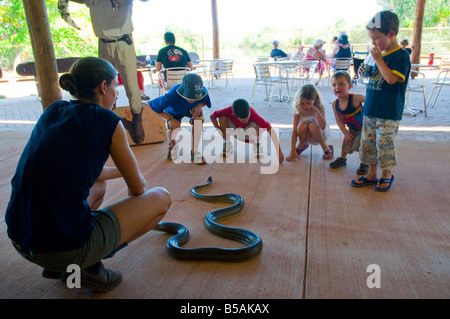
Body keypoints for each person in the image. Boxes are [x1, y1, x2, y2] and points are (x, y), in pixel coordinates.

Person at [5, 57, 171, 292]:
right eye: (115, 86)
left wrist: (122, 172)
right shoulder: (108, 121)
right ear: (104, 87)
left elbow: (73, 169)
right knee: (160, 197)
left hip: (21, 239)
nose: (116, 94)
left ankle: (65, 265)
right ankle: (87, 268)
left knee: (99, 185)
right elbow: (138, 190)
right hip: (59, 249)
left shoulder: (54, 110)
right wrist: (134, 176)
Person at [69, 0, 147, 145]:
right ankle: (107, 118)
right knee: (102, 85)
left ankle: (137, 120)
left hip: (123, 42)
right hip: (104, 43)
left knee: (131, 83)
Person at [351, 10, 411, 192]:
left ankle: (386, 174)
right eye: (371, 38)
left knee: (384, 143)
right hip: (371, 107)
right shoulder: (377, 55)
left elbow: (391, 79)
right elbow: (371, 77)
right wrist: (364, 70)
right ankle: (371, 173)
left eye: (376, 38)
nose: (373, 43)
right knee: (368, 143)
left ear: (391, 34)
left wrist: (378, 61)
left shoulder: (401, 56)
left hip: (389, 110)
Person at [148, 73, 211, 164]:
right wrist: (169, 119)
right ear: (183, 91)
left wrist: (198, 106)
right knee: (175, 127)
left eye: (195, 97)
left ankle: (195, 151)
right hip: (174, 111)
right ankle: (173, 145)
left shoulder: (203, 91)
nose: (193, 100)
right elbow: (153, 106)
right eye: (190, 97)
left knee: (199, 119)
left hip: (192, 110)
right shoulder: (172, 95)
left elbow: (204, 102)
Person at [210, 99, 284, 163]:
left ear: (249, 111)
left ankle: (257, 145)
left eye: (247, 118)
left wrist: (279, 153)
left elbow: (271, 131)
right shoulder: (229, 110)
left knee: (258, 124)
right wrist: (219, 130)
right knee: (222, 118)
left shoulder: (253, 113)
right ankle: (227, 144)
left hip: (249, 134)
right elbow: (212, 116)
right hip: (235, 131)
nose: (246, 120)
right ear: (234, 114)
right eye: (242, 120)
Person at [329, 71, 368, 175]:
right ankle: (342, 158)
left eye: (341, 84)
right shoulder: (335, 104)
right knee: (347, 142)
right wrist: (345, 133)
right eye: (334, 85)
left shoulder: (356, 98)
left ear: (349, 86)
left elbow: (371, 101)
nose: (337, 87)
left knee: (360, 145)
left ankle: (365, 163)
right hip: (352, 127)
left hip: (364, 127)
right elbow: (339, 120)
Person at [286, 83, 333, 162]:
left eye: (309, 103)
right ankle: (301, 144)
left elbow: (323, 127)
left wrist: (316, 111)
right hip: (306, 135)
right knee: (302, 125)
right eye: (303, 103)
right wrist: (293, 150)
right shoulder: (298, 111)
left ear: (315, 100)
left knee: (313, 126)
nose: (305, 106)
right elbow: (294, 131)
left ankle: (325, 147)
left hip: (319, 133)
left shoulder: (320, 107)